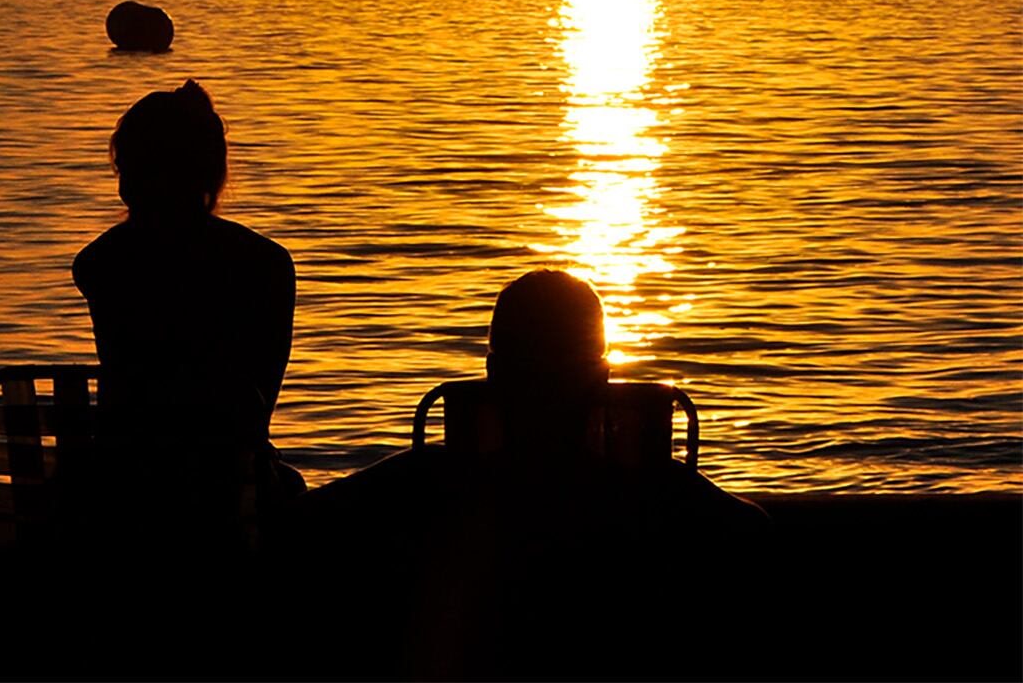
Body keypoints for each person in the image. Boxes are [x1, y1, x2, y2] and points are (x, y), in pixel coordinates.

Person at [286, 268, 769, 677]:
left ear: (493, 371)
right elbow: (753, 530)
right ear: (602, 374)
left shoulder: (428, 483)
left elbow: (305, 524)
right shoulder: (658, 492)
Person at [73, 80, 300, 546]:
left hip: (119, 494)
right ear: (209, 172)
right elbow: (258, 410)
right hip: (218, 497)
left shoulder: (100, 264)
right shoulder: (266, 265)